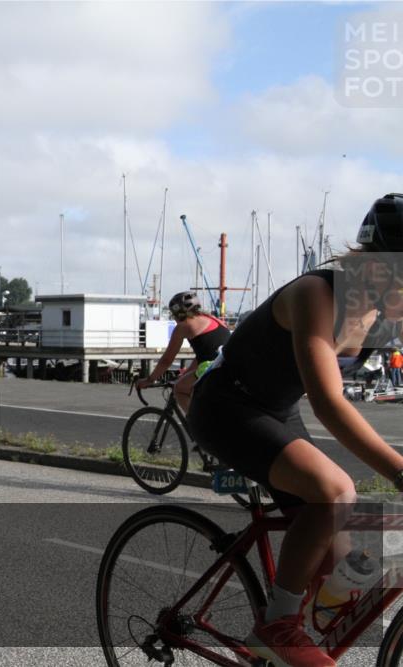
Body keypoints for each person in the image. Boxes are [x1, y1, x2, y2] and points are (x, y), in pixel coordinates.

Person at [188, 193, 403, 667]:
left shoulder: (387, 312)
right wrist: (399, 471)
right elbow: (328, 402)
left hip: (277, 412)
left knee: (346, 580)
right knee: (335, 491)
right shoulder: (316, 295)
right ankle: (277, 624)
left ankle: (290, 635)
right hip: (225, 407)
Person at [136, 291, 230, 412]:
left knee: (180, 389)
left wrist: (149, 380)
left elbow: (167, 360)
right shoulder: (213, 319)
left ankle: (196, 422)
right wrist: (187, 373)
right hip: (229, 364)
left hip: (214, 368)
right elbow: (204, 355)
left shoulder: (183, 326)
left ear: (178, 313)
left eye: (173, 315)